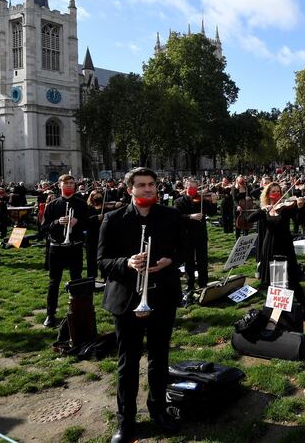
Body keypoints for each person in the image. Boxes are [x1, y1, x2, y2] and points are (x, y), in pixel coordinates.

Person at [98, 167, 185, 443]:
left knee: (160, 359)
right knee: (128, 362)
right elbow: (101, 263)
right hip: (128, 301)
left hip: (162, 297)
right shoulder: (113, 219)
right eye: (142, 185)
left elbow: (184, 250)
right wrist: (126, 262)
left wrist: (170, 261)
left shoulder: (171, 216)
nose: (148, 189)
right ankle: (126, 422)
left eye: (152, 184)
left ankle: (158, 411)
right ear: (130, 190)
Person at [248, 182, 305, 319]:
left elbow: (298, 221)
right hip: (270, 246)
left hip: (285, 246)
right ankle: (276, 314)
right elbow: (249, 219)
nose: (276, 194)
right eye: (273, 191)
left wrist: (300, 207)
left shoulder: (286, 208)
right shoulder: (265, 209)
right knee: (275, 282)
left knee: (293, 281)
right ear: (267, 194)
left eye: (278, 191)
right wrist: (263, 210)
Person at [41, 174, 88, 328]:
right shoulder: (52, 205)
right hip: (57, 248)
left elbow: (89, 224)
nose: (69, 185)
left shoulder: (81, 204)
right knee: (54, 282)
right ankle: (50, 314)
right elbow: (44, 227)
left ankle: (78, 311)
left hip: (75, 247)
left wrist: (78, 222)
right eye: (66, 183)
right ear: (59, 185)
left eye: (71, 183)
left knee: (77, 280)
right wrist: (57, 222)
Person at [173, 180, 217, 304]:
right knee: (189, 261)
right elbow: (176, 217)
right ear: (186, 188)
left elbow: (213, 212)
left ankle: (203, 283)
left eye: (195, 187)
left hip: (201, 235)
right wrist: (190, 216)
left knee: (203, 259)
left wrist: (213, 202)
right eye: (190, 187)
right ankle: (190, 283)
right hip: (187, 236)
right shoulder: (179, 201)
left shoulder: (202, 200)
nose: (193, 190)